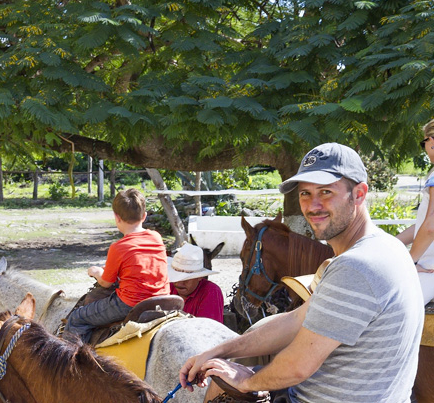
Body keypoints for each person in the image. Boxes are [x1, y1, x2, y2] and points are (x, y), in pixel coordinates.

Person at [179, 143, 423, 403]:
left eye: (326, 192)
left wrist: (245, 380)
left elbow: (298, 366)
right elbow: (296, 320)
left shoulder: (355, 267)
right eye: (305, 193)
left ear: (359, 194)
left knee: (223, 390)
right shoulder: (389, 246)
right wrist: (221, 350)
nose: (313, 205)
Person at [64, 188, 170, 343]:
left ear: (117, 217)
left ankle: (74, 364)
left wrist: (96, 272)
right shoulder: (156, 237)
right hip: (162, 299)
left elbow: (106, 282)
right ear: (144, 216)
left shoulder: (118, 247)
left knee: (77, 318)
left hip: (131, 303)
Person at [397, 118, 434, 305]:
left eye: (424, 143)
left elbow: (431, 225)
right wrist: (391, 244)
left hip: (429, 269)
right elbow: (422, 225)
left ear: (431, 141)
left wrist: (409, 262)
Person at [168, 243, 224, 323]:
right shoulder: (168, 286)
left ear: (199, 277)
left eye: (187, 278)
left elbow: (207, 330)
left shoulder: (211, 291)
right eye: (176, 277)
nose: (179, 283)